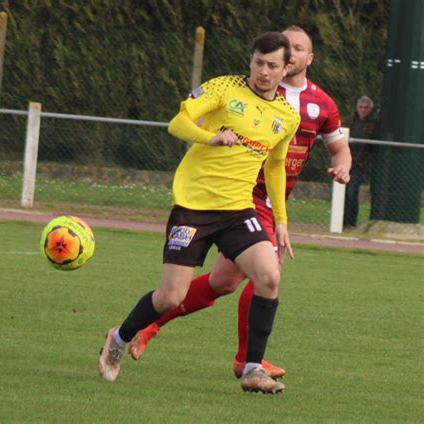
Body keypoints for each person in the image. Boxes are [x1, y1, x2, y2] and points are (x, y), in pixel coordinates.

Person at [128, 26, 352, 380]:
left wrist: (342, 166)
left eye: (297, 49)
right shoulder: (238, 89)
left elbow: (336, 148)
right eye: (281, 49)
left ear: (306, 59)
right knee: (266, 274)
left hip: (267, 197)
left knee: (224, 282)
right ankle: (249, 363)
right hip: (246, 195)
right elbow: (181, 120)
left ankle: (152, 325)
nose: (287, 55)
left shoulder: (319, 104)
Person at [98, 31, 300, 394]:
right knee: (170, 297)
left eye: (272, 65)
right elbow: (177, 122)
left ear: (287, 69)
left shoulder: (286, 116)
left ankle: (253, 367)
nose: (263, 72)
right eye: (258, 62)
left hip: (238, 208)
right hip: (193, 207)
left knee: (269, 276)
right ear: (250, 60)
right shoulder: (224, 88)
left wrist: (281, 222)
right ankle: (119, 337)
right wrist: (210, 137)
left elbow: (275, 166)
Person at [342, 96, 379, 228]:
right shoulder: (348, 121)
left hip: (359, 165)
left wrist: (365, 162)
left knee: (352, 193)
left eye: (366, 108)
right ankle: (341, 222)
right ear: (357, 108)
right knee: (342, 193)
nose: (363, 110)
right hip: (344, 163)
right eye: (361, 107)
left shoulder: (374, 125)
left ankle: (350, 223)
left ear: (370, 109)